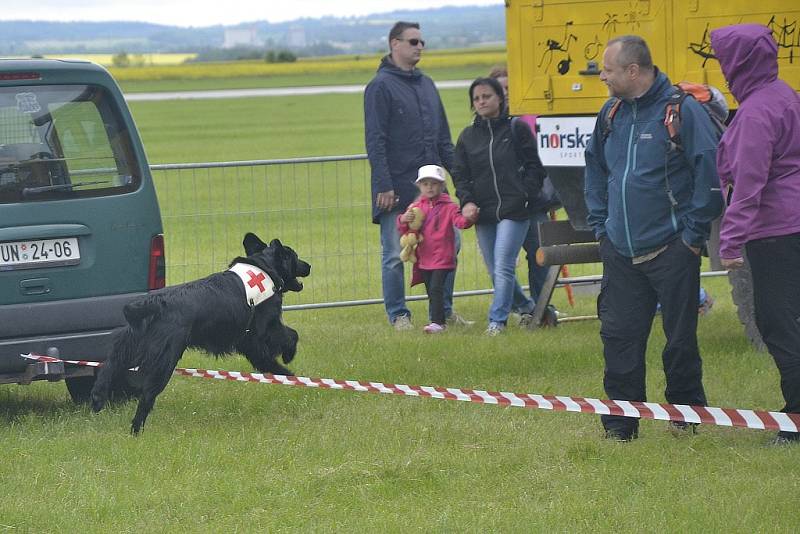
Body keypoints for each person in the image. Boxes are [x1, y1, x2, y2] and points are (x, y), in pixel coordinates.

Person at [583, 36, 724, 441]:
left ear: (632, 70)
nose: (603, 77)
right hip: (620, 252)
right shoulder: (610, 113)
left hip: (672, 249)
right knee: (619, 339)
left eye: (608, 70)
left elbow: (708, 174)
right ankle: (620, 427)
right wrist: (600, 226)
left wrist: (692, 237)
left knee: (680, 341)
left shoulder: (682, 110)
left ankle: (686, 418)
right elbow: (593, 168)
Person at [711, 24, 800, 445]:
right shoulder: (784, 94)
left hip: (776, 230)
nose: (723, 71)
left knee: (777, 322)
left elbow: (748, 183)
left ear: (739, 62)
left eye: (725, 60)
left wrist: (730, 241)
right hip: (794, 221)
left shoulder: (755, 112)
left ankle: (797, 417)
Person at [364, 21, 471, 331]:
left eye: (422, 41)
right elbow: (376, 140)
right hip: (396, 185)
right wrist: (383, 183)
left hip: (435, 189)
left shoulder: (427, 84)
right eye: (413, 41)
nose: (419, 46)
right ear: (394, 44)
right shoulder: (379, 86)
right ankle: (399, 314)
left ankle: (443, 311)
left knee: (450, 247)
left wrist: (460, 182)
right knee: (396, 254)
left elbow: (443, 139)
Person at [452, 77, 546, 336]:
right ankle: (527, 307)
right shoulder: (467, 137)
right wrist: (467, 201)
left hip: (514, 210)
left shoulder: (516, 129)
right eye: (477, 98)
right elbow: (460, 174)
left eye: (487, 96)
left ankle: (497, 321)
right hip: (484, 212)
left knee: (504, 264)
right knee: (495, 269)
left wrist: (525, 194)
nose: (482, 102)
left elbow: (534, 166)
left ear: (500, 98)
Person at [488, 66, 559, 324]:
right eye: (501, 89)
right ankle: (523, 305)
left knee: (540, 255)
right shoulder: (485, 128)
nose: (505, 94)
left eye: (509, 89)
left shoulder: (529, 119)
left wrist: (536, 192)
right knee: (500, 263)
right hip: (503, 206)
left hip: (534, 201)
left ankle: (542, 309)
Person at [398, 165, 475, 333]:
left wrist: (469, 219)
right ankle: (438, 320)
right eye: (425, 184)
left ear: (442, 185)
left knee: (436, 288)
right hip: (425, 258)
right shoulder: (417, 208)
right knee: (431, 291)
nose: (430, 187)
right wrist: (403, 219)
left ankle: (437, 323)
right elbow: (408, 229)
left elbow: (460, 222)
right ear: (419, 186)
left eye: (434, 183)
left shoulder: (449, 207)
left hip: (443, 257)